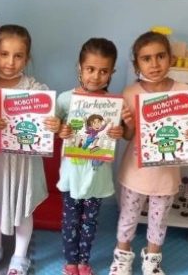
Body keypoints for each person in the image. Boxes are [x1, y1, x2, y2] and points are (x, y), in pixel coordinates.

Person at [109, 31, 188, 275]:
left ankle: (152, 260)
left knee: (159, 220)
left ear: (171, 58)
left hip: (166, 175)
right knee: (128, 217)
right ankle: (122, 257)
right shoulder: (130, 93)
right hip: (135, 172)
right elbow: (127, 136)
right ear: (137, 65)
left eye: (160, 56)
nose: (154, 64)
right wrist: (129, 124)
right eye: (146, 58)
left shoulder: (184, 91)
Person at [0, 25, 61, 275]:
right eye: (4, 54)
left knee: (24, 206)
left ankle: (20, 255)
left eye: (18, 56)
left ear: (27, 58)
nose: (10, 62)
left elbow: (48, 119)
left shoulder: (36, 89)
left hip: (24, 163)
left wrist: (53, 123)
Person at [54, 38, 130, 275]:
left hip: (98, 176)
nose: (96, 76)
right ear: (79, 68)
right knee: (70, 221)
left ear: (111, 73)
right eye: (90, 69)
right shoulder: (65, 99)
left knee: (89, 222)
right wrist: (60, 129)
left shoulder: (114, 105)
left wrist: (120, 130)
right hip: (72, 174)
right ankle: (70, 262)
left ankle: (83, 261)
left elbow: (121, 133)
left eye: (103, 71)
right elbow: (53, 126)